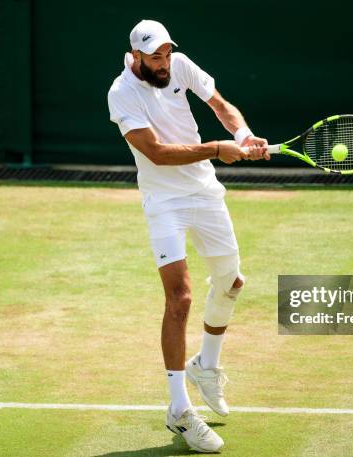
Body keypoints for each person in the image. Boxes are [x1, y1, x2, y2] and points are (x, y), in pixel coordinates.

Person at [107, 19, 268, 453]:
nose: (163, 63)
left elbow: (219, 103)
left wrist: (242, 134)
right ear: (136, 56)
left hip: (204, 191)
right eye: (154, 56)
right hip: (164, 203)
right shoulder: (121, 93)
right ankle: (179, 409)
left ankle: (205, 367)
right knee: (179, 298)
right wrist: (218, 148)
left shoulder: (179, 65)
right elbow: (156, 153)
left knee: (232, 282)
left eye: (166, 54)